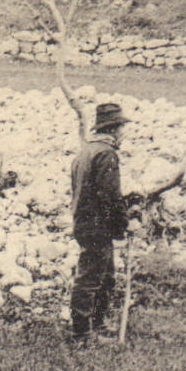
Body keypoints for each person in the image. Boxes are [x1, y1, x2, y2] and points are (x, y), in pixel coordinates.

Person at [68, 102, 131, 345]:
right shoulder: (106, 154)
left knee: (105, 278)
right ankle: (82, 335)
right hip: (97, 226)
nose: (123, 134)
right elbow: (110, 197)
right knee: (90, 280)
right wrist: (123, 224)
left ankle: (96, 326)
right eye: (122, 128)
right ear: (114, 129)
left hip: (85, 222)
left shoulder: (85, 151)